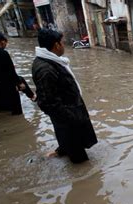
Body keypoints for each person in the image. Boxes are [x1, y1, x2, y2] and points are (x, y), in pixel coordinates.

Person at [32, 29, 97, 163]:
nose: (64, 45)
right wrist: (71, 118)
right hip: (68, 117)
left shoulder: (51, 61)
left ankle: (62, 150)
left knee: (73, 142)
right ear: (56, 45)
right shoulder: (45, 68)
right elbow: (46, 102)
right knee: (80, 160)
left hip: (70, 111)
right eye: (62, 42)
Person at [0, 32, 36, 115]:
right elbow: (11, 71)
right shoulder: (3, 53)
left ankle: (32, 96)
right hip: (7, 83)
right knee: (17, 109)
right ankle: (31, 98)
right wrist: (19, 84)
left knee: (21, 79)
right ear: (3, 42)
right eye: (6, 42)